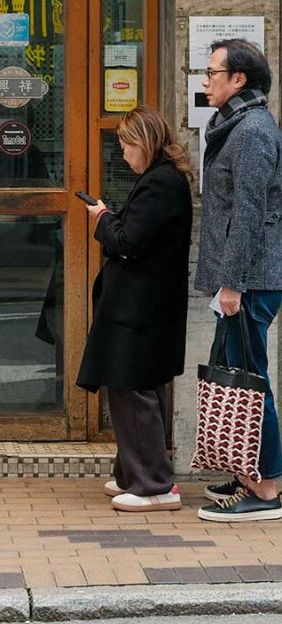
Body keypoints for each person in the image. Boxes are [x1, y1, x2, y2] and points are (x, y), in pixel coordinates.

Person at [76, 106, 193, 512]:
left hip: (141, 305)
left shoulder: (159, 184)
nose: (123, 154)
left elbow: (128, 242)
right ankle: (133, 473)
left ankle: (154, 484)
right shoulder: (161, 180)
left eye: (126, 145)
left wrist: (102, 217)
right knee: (135, 384)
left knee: (132, 385)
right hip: (145, 304)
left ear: (144, 143)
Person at [194, 39, 282, 523]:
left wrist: (233, 283)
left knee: (250, 381)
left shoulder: (252, 132)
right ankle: (245, 470)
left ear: (238, 79)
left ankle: (267, 488)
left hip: (252, 277)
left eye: (212, 73)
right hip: (245, 275)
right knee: (234, 371)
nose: (205, 81)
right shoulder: (236, 125)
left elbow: (250, 213)